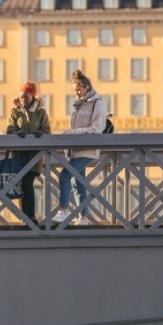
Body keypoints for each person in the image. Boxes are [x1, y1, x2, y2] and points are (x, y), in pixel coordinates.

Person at [52, 69, 107, 226]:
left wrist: (71, 133)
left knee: (64, 176)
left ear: (87, 88)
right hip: (76, 150)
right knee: (78, 183)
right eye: (74, 90)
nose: (76, 93)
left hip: (88, 149)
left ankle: (63, 211)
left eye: (78, 89)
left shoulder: (98, 103)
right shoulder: (80, 105)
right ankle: (83, 218)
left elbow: (97, 129)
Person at [6, 82, 51, 224]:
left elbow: (47, 131)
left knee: (28, 183)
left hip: (34, 155)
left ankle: (30, 216)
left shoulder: (41, 113)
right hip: (18, 154)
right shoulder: (15, 111)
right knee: (20, 184)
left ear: (32, 97)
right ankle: (24, 218)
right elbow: (9, 129)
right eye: (21, 97)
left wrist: (40, 134)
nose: (23, 99)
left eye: (26, 96)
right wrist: (16, 132)